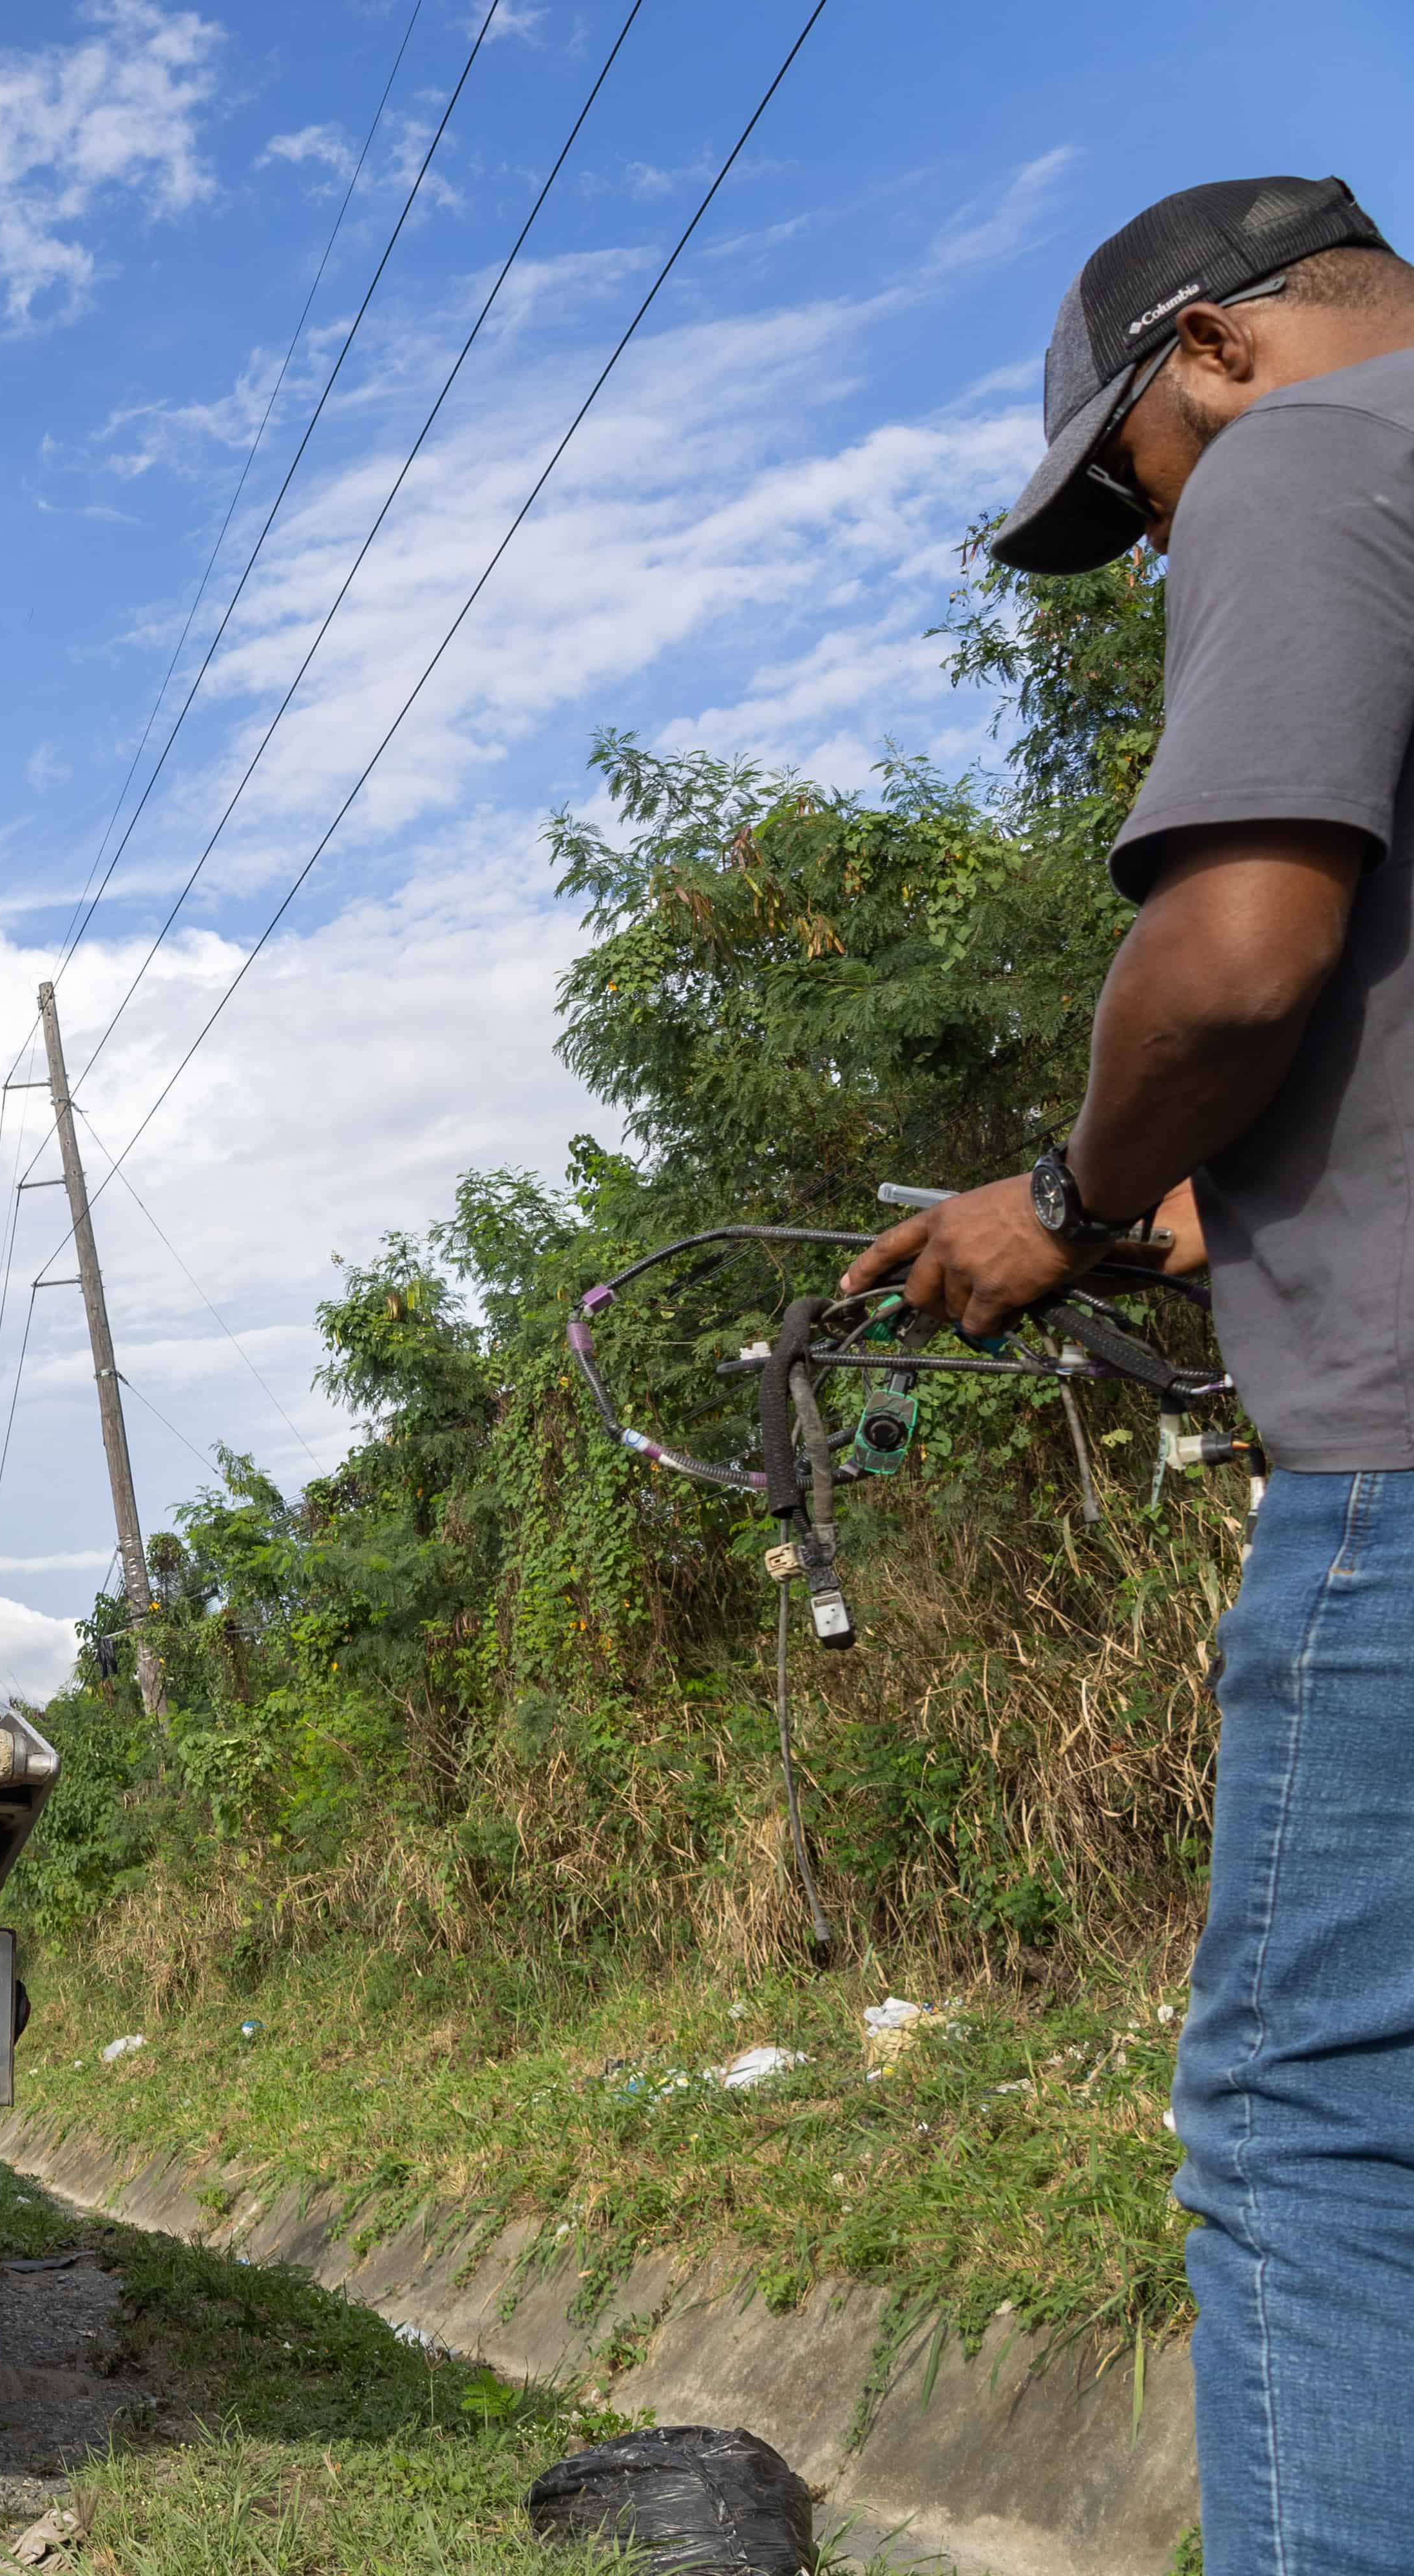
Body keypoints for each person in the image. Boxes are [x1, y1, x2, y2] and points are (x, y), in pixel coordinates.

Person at [848, 176, 1414, 2568]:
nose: (1151, 520)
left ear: (1214, 351)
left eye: (1125, 484)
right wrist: (1230, 1207)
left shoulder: (1312, 455)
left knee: (1314, 2118)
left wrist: (1063, 1207)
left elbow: (1242, 955)